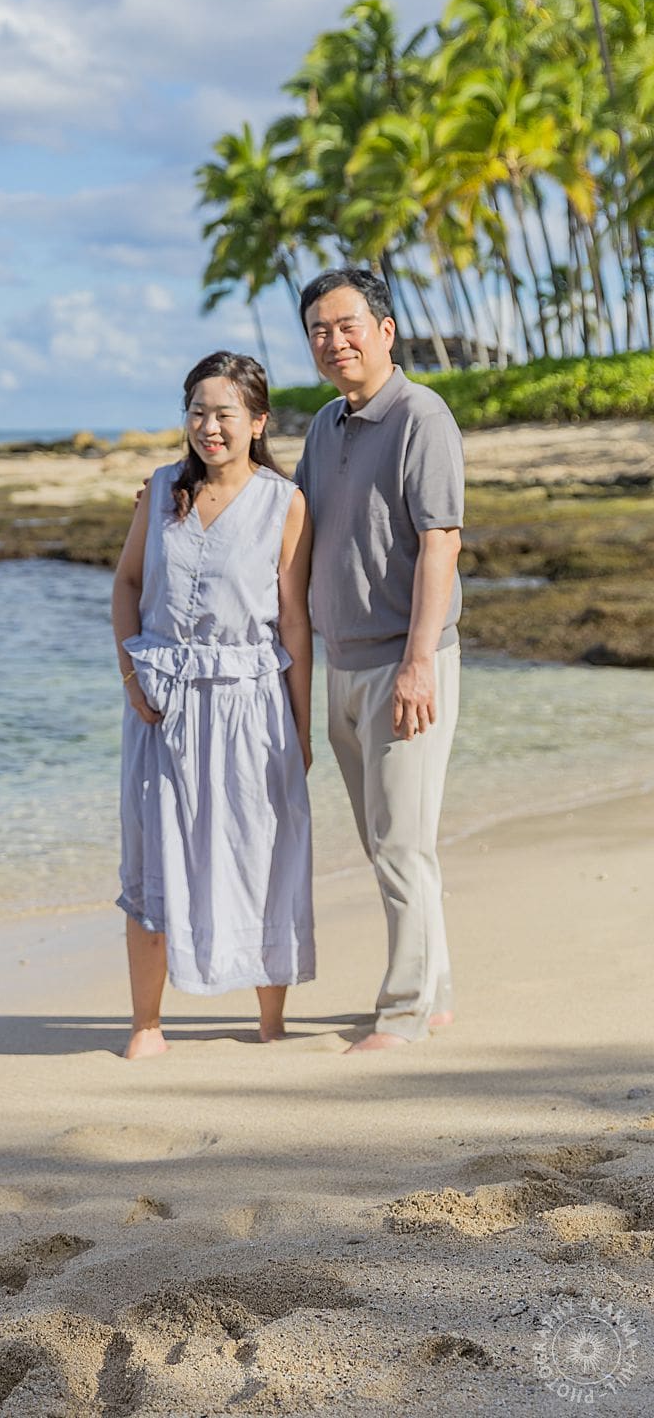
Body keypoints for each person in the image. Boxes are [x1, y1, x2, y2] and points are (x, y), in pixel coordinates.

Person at [113, 351, 315, 1060]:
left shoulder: (283, 503)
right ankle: (147, 1024)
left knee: (264, 849)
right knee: (151, 857)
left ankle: (271, 1021)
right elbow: (127, 586)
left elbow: (294, 622)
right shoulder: (161, 489)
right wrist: (132, 679)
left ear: (258, 421)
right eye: (197, 411)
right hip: (161, 705)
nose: (209, 426)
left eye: (225, 412)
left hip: (250, 702)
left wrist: (302, 725)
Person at [295, 269, 463, 1054]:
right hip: (342, 663)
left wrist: (420, 660)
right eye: (320, 330)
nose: (335, 341)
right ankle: (439, 991)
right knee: (388, 844)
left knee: (401, 844)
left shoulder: (422, 416)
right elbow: (292, 530)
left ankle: (402, 1013)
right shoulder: (326, 425)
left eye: (348, 324)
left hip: (406, 661)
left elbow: (441, 542)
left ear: (386, 330)